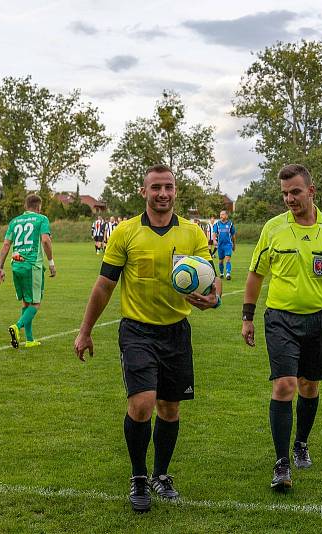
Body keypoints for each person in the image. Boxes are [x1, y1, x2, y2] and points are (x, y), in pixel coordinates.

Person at [73, 164, 222, 513]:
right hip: (137, 330)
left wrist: (213, 299)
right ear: (144, 192)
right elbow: (104, 285)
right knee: (141, 405)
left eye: (168, 187)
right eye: (155, 187)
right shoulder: (125, 233)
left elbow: (212, 278)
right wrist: (85, 330)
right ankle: (139, 477)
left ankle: (161, 475)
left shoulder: (192, 233)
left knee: (170, 409)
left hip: (176, 331)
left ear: (176, 190)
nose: (163, 193)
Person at [241, 163, 322, 491]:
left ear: (311, 191)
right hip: (280, 319)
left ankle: (301, 444)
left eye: (295, 192)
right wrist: (247, 316)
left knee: (310, 387)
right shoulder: (273, 229)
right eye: (284, 193)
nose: (289, 199)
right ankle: (281, 464)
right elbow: (255, 274)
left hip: (319, 320)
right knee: (284, 385)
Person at [0, 194, 56, 349]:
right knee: (35, 303)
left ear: (25, 206)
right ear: (39, 207)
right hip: (32, 266)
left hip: (16, 265)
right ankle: (17, 326)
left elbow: (6, 245)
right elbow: (45, 240)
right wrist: (51, 263)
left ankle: (29, 340)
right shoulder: (42, 219)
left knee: (26, 302)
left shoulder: (14, 222)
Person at [212, 210, 237, 280]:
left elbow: (233, 235)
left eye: (222, 214)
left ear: (226, 216)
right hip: (220, 245)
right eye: (220, 214)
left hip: (228, 245)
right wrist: (214, 240)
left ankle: (228, 274)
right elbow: (214, 233)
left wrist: (234, 245)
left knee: (227, 259)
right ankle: (221, 273)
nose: (221, 216)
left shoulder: (230, 224)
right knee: (220, 261)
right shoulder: (217, 224)